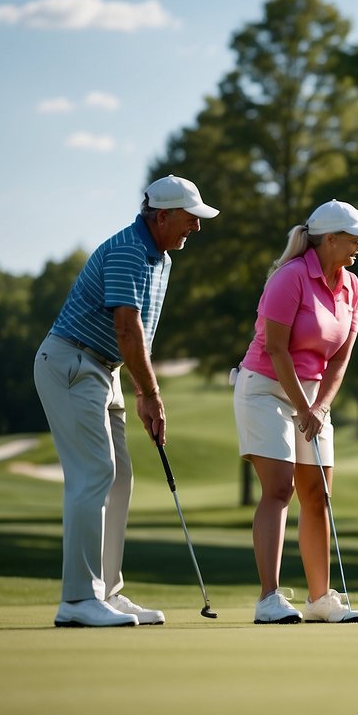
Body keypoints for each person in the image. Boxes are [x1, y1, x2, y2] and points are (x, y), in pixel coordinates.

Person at [34, 174, 219, 627]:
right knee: (93, 474)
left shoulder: (160, 257)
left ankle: (107, 592)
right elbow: (126, 326)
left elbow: (140, 335)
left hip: (103, 369)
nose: (195, 228)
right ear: (161, 216)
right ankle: (77, 600)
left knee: (119, 478)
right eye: (189, 219)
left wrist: (136, 389)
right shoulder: (128, 251)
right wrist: (151, 394)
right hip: (73, 363)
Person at [233, 199, 358, 624]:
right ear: (329, 240)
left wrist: (320, 406)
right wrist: (304, 408)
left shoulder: (351, 286)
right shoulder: (290, 278)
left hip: (314, 398)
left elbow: (340, 358)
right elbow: (276, 349)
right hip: (264, 388)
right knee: (280, 488)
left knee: (318, 494)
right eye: (355, 240)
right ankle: (269, 598)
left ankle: (320, 600)